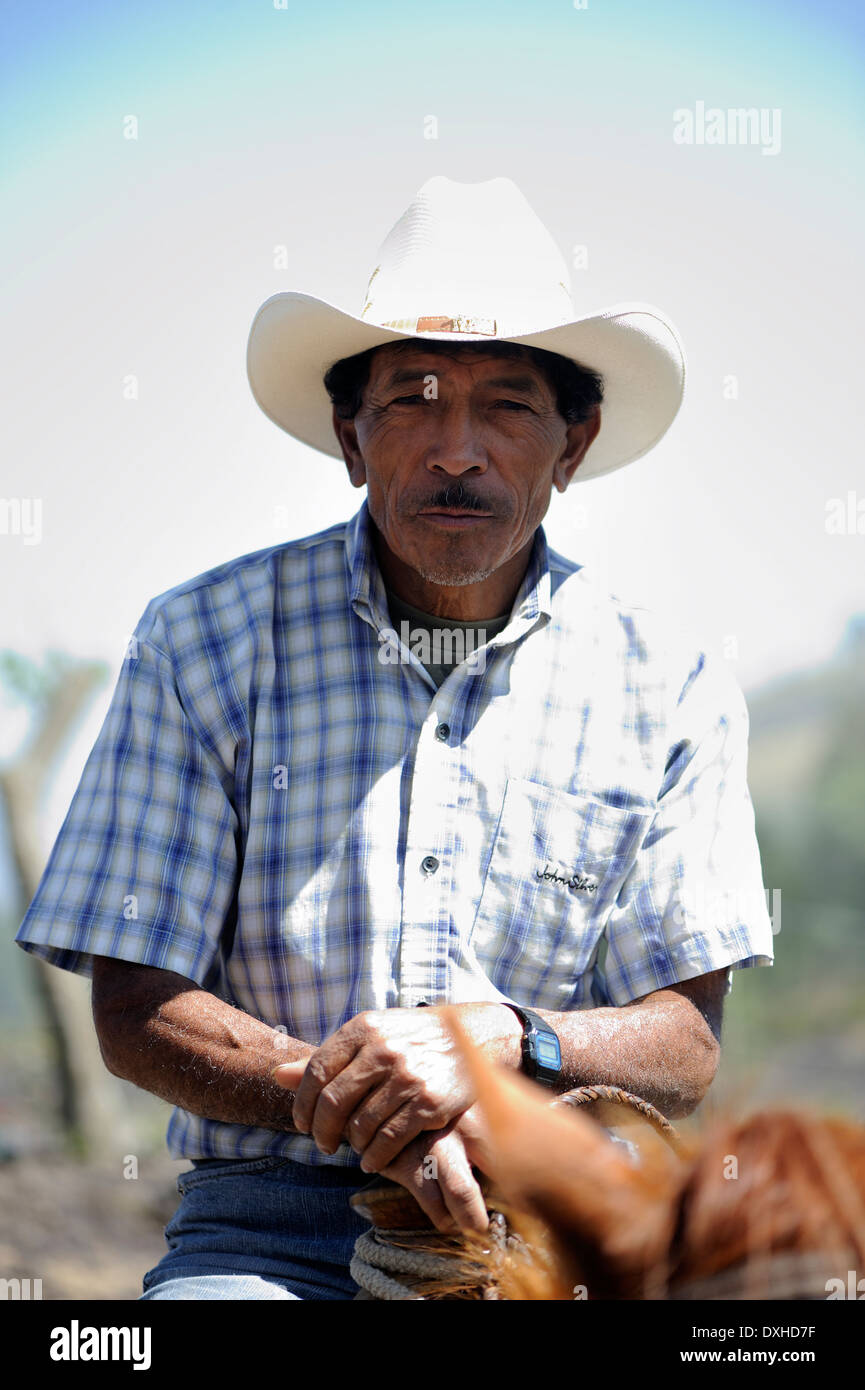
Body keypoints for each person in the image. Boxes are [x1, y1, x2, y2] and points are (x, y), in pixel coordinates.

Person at [15, 176, 774, 1301]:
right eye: (413, 400)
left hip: (560, 1225)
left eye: (508, 406)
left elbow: (683, 1042)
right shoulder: (203, 641)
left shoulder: (671, 686)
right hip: (264, 1233)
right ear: (350, 434)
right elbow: (134, 1005)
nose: (456, 448)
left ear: (574, 442)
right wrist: (359, 1097)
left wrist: (506, 1040)